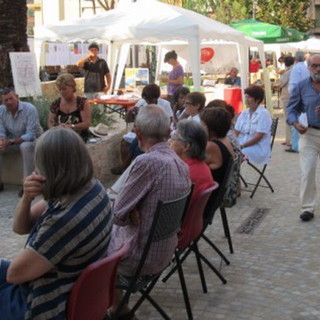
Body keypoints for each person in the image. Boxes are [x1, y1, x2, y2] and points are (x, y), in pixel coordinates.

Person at [0, 127, 112, 319]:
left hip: (43, 302)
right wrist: (27, 197)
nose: (35, 170)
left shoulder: (64, 220)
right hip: (72, 285)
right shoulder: (90, 188)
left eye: (39, 165)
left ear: (54, 168)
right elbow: (20, 228)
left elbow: (14, 275)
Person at [107, 105, 191, 319]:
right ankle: (119, 308)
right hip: (165, 251)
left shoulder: (147, 162)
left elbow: (117, 215)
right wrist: (133, 208)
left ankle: (114, 309)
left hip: (139, 259)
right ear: (167, 131)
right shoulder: (181, 164)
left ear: (137, 133)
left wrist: (129, 209)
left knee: (86, 243)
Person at [286, 53, 320, 222]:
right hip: (309, 134)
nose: (318, 69)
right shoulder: (301, 86)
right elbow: (291, 109)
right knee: (308, 170)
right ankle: (307, 207)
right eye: (314, 66)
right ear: (308, 68)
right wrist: (294, 123)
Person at [0, 87, 42, 194]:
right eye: (6, 100)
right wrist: (2, 141)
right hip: (12, 141)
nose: (9, 102)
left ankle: (27, 184)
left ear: (17, 97)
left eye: (11, 99)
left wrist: (10, 142)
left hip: (34, 141)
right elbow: (1, 131)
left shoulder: (29, 109)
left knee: (25, 146)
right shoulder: (1, 110)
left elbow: (31, 135)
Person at [169, 119, 214, 202]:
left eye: (174, 137)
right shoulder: (198, 165)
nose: (170, 141)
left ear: (186, 146)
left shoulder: (185, 173)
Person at [48, 73, 92, 142]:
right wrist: (55, 130)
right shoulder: (56, 104)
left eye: (64, 89)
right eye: (60, 89)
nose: (62, 92)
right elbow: (50, 122)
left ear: (72, 87)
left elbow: (86, 123)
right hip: (60, 137)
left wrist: (71, 126)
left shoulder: (82, 103)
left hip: (79, 137)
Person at [234, 85, 272, 166]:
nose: (246, 100)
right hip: (242, 144)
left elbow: (258, 137)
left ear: (257, 99)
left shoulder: (264, 114)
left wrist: (242, 146)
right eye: (246, 97)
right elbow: (236, 131)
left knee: (236, 155)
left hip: (257, 147)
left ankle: (233, 174)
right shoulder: (244, 113)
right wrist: (232, 143)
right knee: (227, 152)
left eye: (249, 97)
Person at [200, 107, 234, 185]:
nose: (200, 128)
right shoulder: (225, 140)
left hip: (212, 190)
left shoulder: (211, 146)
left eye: (202, 125)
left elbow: (191, 165)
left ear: (210, 128)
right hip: (220, 186)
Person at [287, 51, 310, 153]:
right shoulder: (306, 67)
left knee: (295, 121)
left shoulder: (296, 68)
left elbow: (293, 85)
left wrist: (292, 97)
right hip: (305, 96)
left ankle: (296, 145)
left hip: (297, 98)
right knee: (303, 120)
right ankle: (301, 143)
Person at [279, 56, 294, 148]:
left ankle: (289, 140)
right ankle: (289, 139)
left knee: (288, 118)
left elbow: (282, 84)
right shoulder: (295, 70)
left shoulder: (287, 72)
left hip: (287, 96)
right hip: (292, 96)